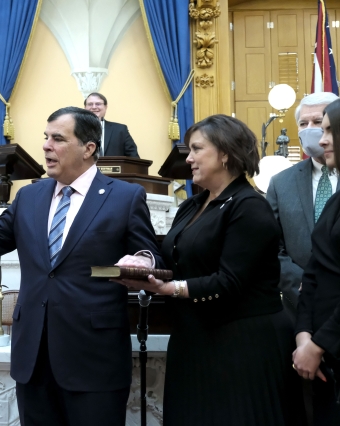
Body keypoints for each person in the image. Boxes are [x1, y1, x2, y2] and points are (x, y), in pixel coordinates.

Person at [0, 106, 161, 425]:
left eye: (58, 139)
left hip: (94, 360)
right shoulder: (29, 197)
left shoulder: (125, 196)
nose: (47, 146)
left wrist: (142, 260)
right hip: (33, 360)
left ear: (89, 148)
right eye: (46, 137)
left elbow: (151, 255)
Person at [121, 114, 304, 425]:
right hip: (195, 339)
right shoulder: (192, 205)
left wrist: (170, 288)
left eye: (196, 149)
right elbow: (176, 259)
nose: (188, 158)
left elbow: (230, 281)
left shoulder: (249, 206)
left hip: (242, 346)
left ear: (225, 153)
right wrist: (146, 265)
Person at [266, 92, 339, 316]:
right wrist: (302, 283)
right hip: (297, 306)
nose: (310, 129)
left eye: (318, 123)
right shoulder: (280, 183)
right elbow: (270, 246)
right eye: (303, 123)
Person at [293, 98, 340, 425]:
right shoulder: (335, 201)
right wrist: (304, 335)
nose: (321, 140)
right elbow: (314, 274)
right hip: (324, 357)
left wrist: (319, 343)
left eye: (328, 131)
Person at [83, 92, 139, 158]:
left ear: (105, 107)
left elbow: (134, 157)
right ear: (85, 108)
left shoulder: (120, 130)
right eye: (90, 104)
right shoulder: (76, 129)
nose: (94, 107)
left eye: (98, 104)